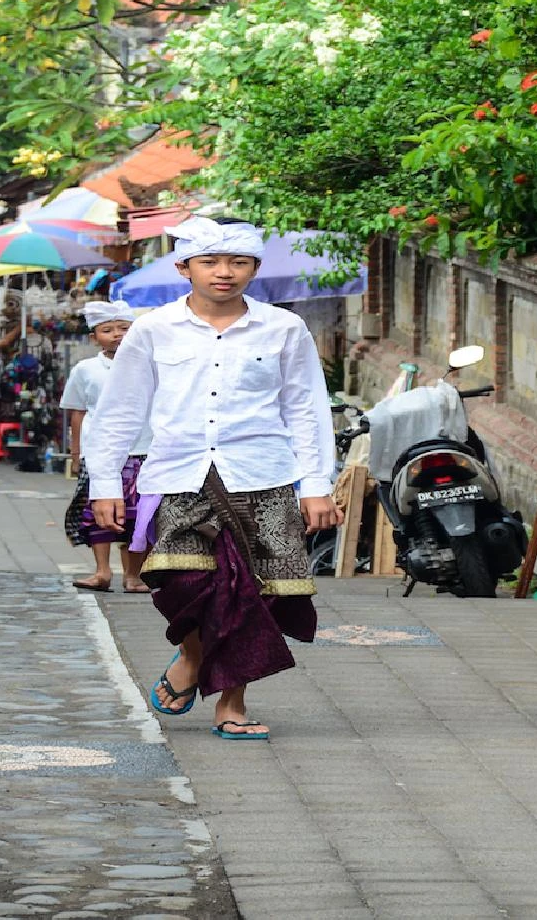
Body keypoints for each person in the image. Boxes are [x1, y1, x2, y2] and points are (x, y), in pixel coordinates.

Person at [87, 216, 341, 741]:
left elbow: (307, 409)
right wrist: (105, 483)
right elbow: (119, 412)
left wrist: (316, 484)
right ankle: (191, 658)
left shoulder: (283, 329)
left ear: (254, 268)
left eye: (238, 262)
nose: (224, 273)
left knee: (253, 592)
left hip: (265, 476)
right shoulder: (153, 329)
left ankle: (232, 703)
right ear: (184, 267)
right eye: (210, 262)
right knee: (186, 583)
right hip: (179, 475)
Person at [62, 300, 152, 594]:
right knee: (97, 513)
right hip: (99, 452)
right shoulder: (85, 369)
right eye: (108, 330)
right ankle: (102, 571)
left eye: (124, 328)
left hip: (144, 449)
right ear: (94, 337)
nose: (117, 334)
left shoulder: (151, 365)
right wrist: (76, 453)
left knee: (139, 515)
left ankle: (133, 574)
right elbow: (77, 412)